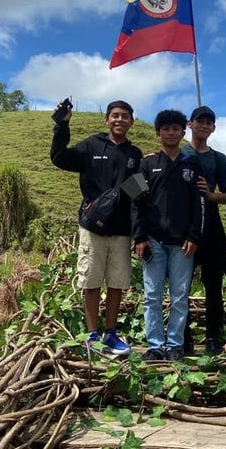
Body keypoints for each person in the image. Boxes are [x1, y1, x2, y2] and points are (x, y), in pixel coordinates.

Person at [51, 99, 143, 355]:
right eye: (115, 115)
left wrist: (140, 231)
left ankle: (111, 334)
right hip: (93, 228)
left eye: (125, 116)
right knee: (91, 281)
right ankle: (92, 335)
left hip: (122, 230)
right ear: (107, 119)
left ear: (131, 122)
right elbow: (59, 158)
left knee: (117, 282)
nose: (119, 120)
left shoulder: (134, 155)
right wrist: (62, 125)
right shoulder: (92, 145)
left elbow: (137, 193)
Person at [132, 110, 204, 362]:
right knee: (152, 295)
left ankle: (175, 345)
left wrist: (194, 235)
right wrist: (139, 236)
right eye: (166, 129)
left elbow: (198, 204)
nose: (171, 133)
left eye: (175, 128)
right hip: (152, 240)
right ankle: (154, 346)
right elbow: (135, 201)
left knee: (179, 296)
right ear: (158, 133)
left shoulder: (191, 165)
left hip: (183, 242)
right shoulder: (146, 163)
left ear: (183, 132)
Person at [181, 106, 226, 355]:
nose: (203, 126)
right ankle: (182, 337)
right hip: (182, 225)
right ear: (190, 124)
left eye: (208, 122)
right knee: (181, 284)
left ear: (213, 128)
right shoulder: (179, 150)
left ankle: (214, 337)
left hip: (211, 226)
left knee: (213, 285)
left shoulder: (219, 159)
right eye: (199, 121)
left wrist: (211, 195)